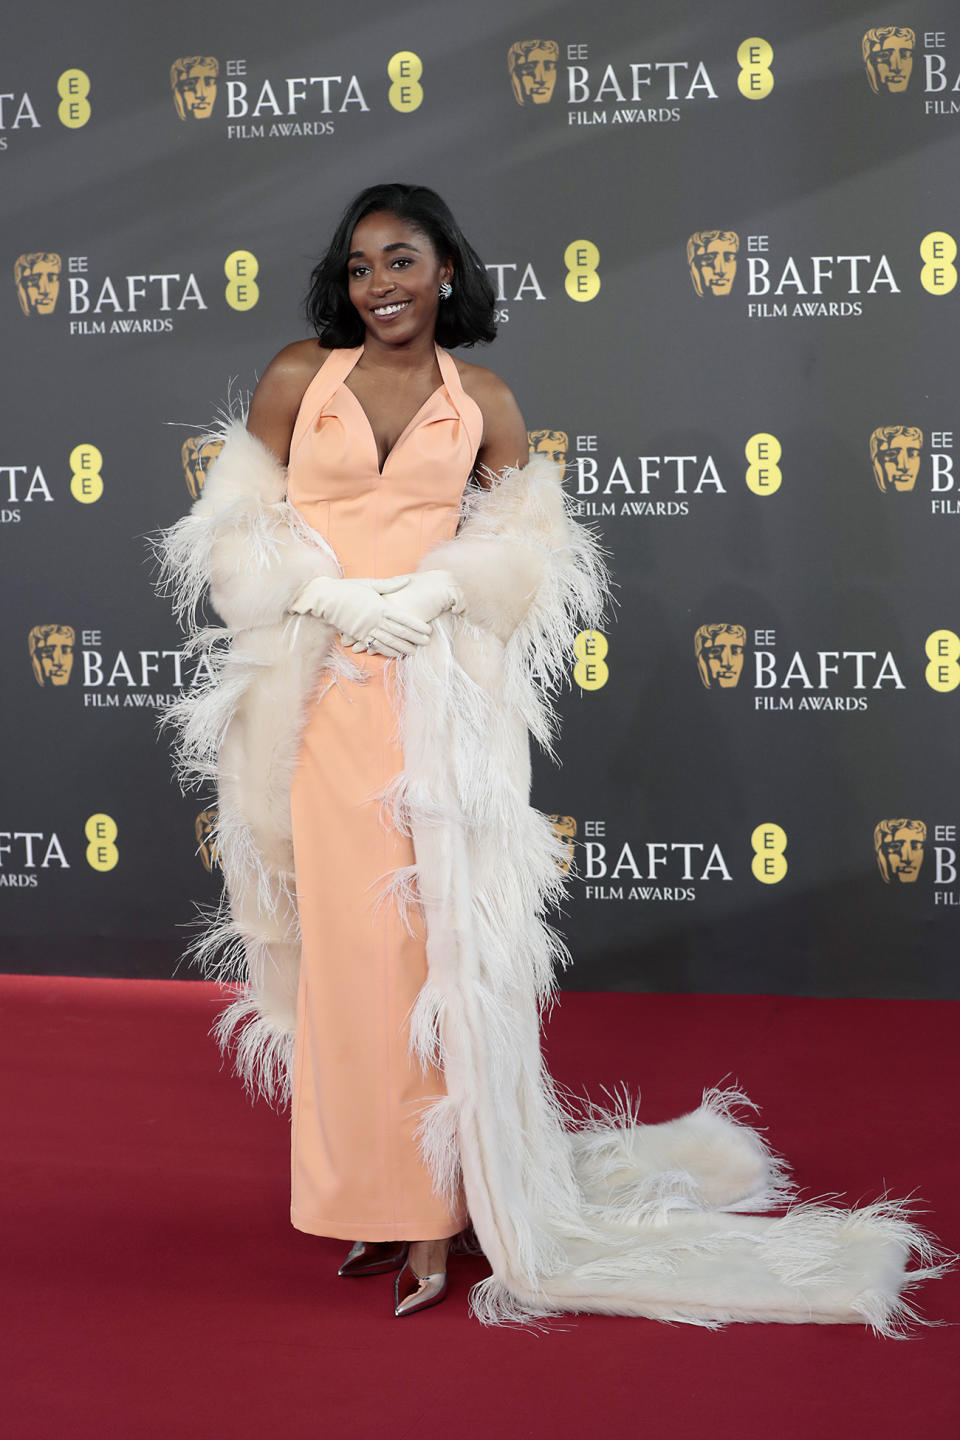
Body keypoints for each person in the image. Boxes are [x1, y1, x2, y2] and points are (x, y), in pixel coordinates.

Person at [156, 183, 948, 1330]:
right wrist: (321, 590)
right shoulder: (297, 378)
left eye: (406, 261)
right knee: (349, 959)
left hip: (439, 711)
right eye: (364, 264)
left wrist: (440, 584)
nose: (383, 284)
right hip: (319, 707)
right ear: (347, 281)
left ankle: (433, 1205)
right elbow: (231, 530)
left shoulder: (482, 400)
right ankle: (370, 1195)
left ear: (446, 274)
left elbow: (528, 548)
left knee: (437, 953)